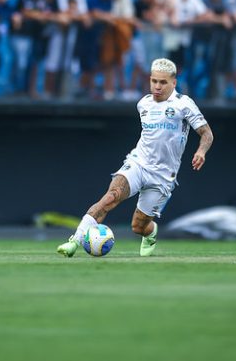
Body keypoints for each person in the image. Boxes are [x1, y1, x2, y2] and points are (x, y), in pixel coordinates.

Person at [57, 58, 214, 257]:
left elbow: (207, 133)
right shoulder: (144, 104)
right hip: (138, 163)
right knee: (110, 197)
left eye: (163, 82)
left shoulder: (184, 104)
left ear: (174, 82)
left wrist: (201, 152)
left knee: (138, 227)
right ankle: (74, 242)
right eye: (154, 81)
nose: (157, 86)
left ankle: (151, 232)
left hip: (163, 176)